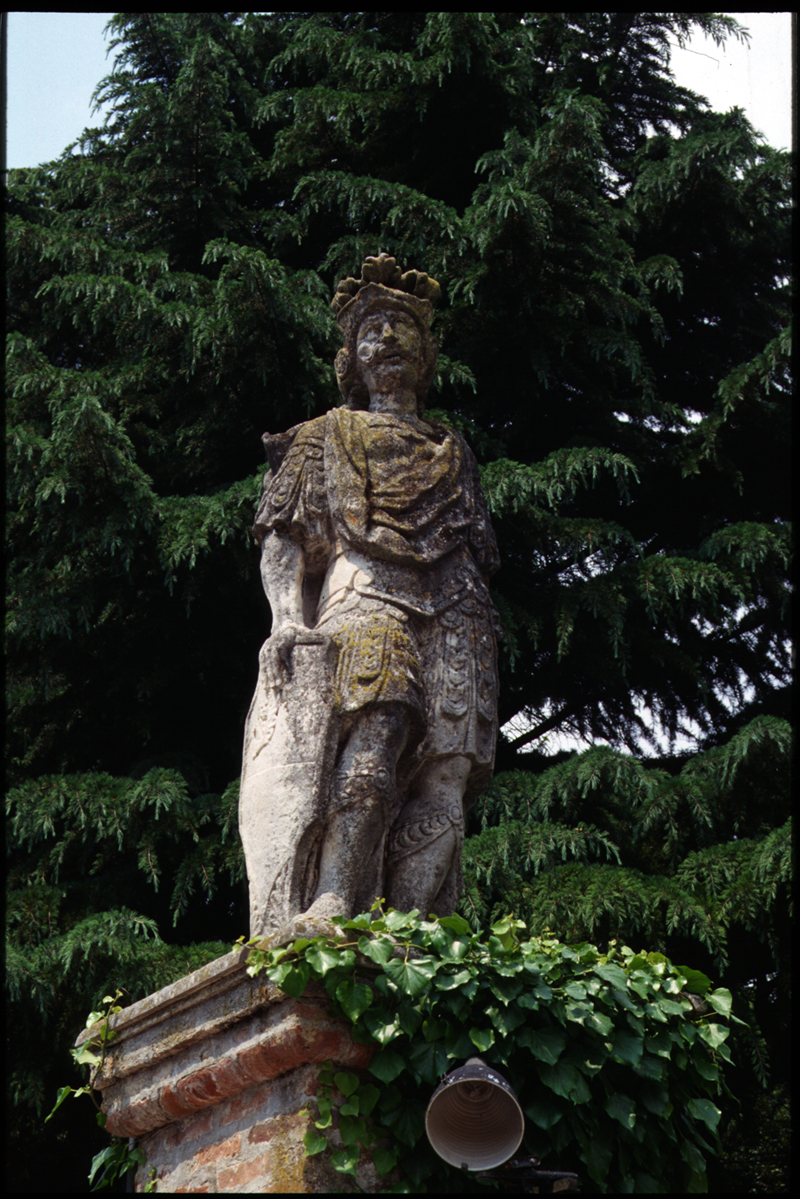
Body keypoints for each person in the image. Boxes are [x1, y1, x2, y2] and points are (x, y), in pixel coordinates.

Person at [248, 253, 499, 925]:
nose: (386, 340)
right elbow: (285, 537)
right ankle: (336, 896)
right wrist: (283, 618)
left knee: (448, 773)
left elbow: (476, 546)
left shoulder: (456, 450)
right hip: (366, 589)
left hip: (459, 604)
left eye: (401, 328)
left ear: (428, 350)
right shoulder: (325, 436)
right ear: (350, 360)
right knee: (371, 746)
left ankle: (414, 923)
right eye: (371, 330)